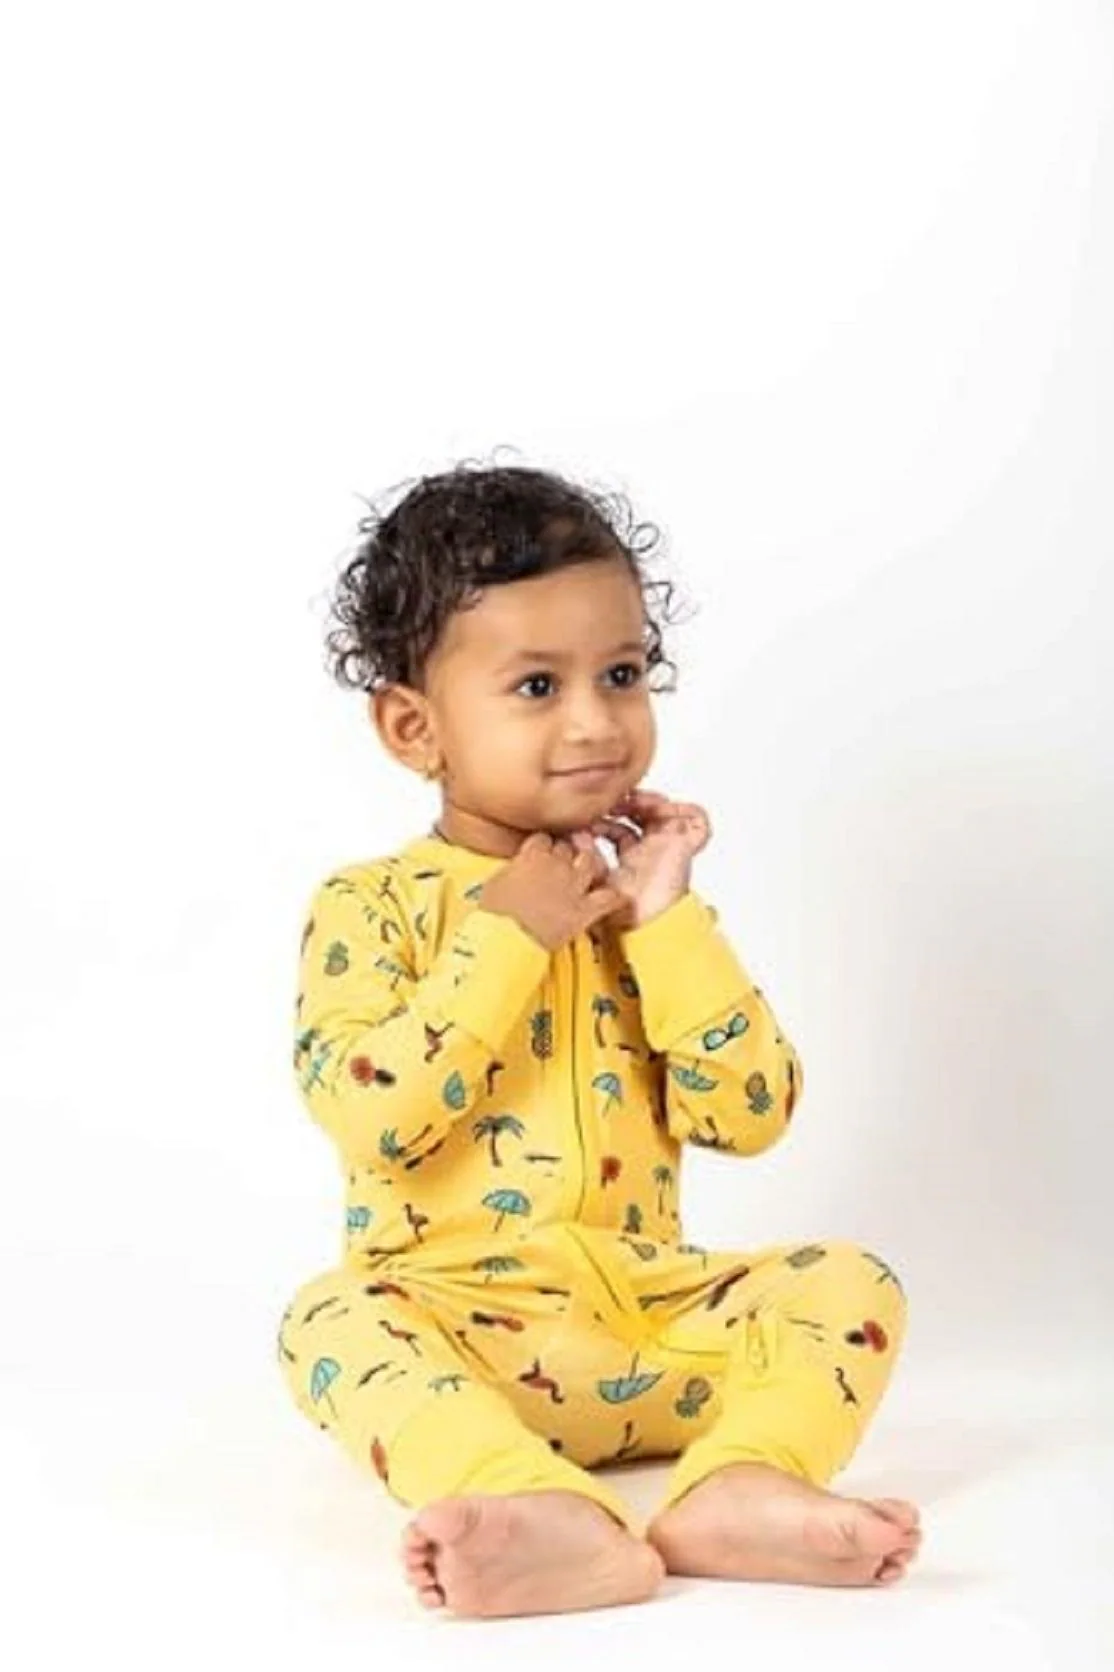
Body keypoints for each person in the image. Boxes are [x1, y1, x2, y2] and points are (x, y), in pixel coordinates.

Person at [276, 461, 922, 1618]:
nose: (594, 721)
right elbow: (375, 1116)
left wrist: (665, 917)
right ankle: (527, 1505)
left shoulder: (636, 906)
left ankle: (736, 1484)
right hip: (460, 1339)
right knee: (327, 1320)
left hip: (644, 1331)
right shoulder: (369, 907)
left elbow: (750, 1115)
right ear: (414, 727)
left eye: (621, 674)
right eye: (536, 684)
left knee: (848, 1282)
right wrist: (506, 936)